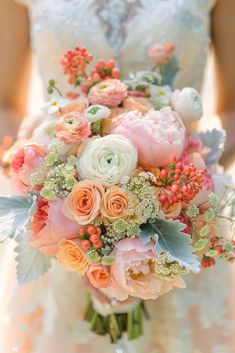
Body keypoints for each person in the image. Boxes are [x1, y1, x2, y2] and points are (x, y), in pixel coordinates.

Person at [0, 1, 235, 352]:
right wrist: (58, 206)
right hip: (59, 247)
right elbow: (6, 107)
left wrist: (175, 202)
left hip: (183, 238)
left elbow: (231, 110)